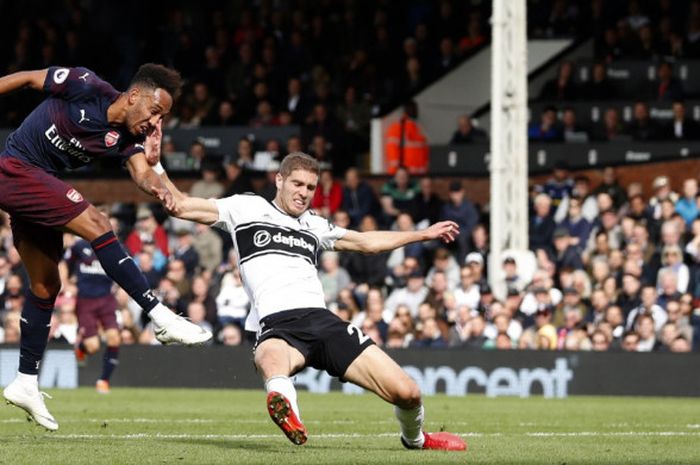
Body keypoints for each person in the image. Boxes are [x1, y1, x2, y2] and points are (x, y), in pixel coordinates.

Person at [159, 151, 465, 451]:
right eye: (297, 184)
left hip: (323, 322)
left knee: (408, 392)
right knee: (269, 359)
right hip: (277, 325)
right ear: (279, 180)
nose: (303, 193)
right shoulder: (244, 208)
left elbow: (366, 242)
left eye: (310, 187)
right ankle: (288, 410)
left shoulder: (315, 224)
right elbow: (181, 205)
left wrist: (422, 235)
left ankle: (416, 439)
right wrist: (153, 165)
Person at [0, 64, 212, 431]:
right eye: (154, 112)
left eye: (162, 119)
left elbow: (142, 175)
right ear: (134, 96)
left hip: (37, 186)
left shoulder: (126, 139)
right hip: (16, 168)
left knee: (46, 286)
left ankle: (25, 382)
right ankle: (159, 315)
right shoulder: (86, 85)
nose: (155, 123)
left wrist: (158, 175)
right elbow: (30, 79)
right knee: (99, 223)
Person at [64, 225, 121, 395]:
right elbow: (66, 264)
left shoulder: (114, 246)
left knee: (114, 338)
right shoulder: (79, 246)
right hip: (85, 301)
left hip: (106, 299)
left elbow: (124, 267)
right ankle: (81, 347)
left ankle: (103, 381)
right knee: (93, 346)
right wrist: (67, 284)